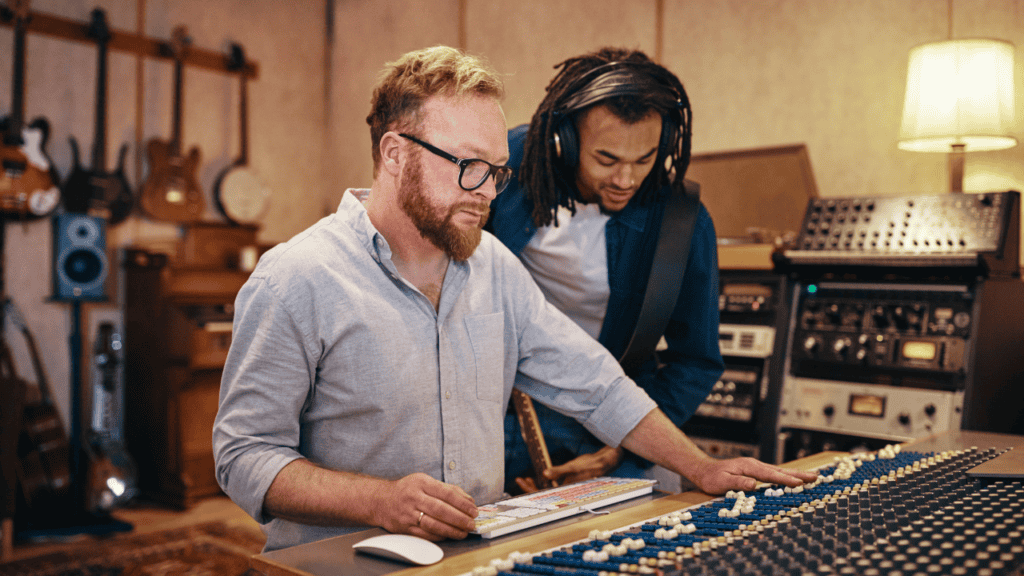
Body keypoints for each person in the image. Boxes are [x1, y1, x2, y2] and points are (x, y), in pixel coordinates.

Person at [212, 45, 817, 553]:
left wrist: (701, 467)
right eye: (468, 167)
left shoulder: (494, 267)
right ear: (395, 155)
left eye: (498, 171)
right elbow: (243, 457)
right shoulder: (294, 279)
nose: (488, 193)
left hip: (469, 559)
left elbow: (597, 387)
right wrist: (380, 500)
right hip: (331, 564)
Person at [489, 47, 723, 493]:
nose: (626, 180)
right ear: (564, 140)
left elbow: (695, 360)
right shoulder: (507, 166)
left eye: (644, 158)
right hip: (501, 415)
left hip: (615, 424)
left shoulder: (682, 222)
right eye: (607, 159)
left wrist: (623, 448)